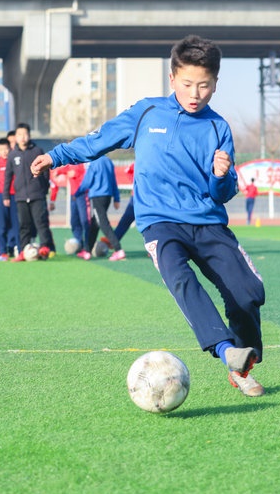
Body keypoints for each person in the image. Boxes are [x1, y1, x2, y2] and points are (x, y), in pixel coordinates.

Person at [30, 34, 266, 397]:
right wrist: (55, 156)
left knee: (248, 293)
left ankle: (243, 362)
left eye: (204, 85)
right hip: (160, 222)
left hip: (208, 223)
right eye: (187, 83)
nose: (195, 93)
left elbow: (223, 192)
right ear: (172, 78)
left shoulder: (218, 128)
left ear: (215, 84)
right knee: (181, 279)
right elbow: (99, 140)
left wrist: (221, 175)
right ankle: (226, 351)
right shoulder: (147, 112)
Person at [4, 122, 56, 261]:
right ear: (16, 137)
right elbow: (8, 176)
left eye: (25, 134)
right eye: (19, 134)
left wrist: (43, 189)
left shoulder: (37, 151)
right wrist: (6, 195)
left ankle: (45, 248)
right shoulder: (12, 155)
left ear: (29, 135)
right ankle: (23, 251)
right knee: (24, 225)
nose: (22, 137)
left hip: (37, 194)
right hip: (20, 196)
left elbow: (46, 173)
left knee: (41, 222)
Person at [75, 155, 125, 261]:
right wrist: (116, 198)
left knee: (102, 223)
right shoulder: (108, 161)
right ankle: (87, 251)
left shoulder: (94, 162)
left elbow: (87, 180)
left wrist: (78, 192)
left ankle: (118, 250)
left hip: (97, 196)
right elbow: (113, 181)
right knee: (95, 224)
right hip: (107, 196)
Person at [52, 163, 91, 259]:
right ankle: (78, 243)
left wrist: (76, 174)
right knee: (74, 221)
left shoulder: (83, 164)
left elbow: (87, 175)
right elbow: (64, 169)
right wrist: (57, 172)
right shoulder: (71, 163)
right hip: (73, 196)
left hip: (82, 194)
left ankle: (88, 245)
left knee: (84, 220)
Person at [113, 162, 136, 242]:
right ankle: (113, 241)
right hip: (137, 197)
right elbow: (128, 170)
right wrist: (135, 182)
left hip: (151, 197)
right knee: (126, 219)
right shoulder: (139, 161)